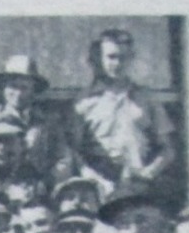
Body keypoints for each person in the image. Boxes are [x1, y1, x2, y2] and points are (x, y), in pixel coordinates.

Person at [70, 28, 177, 196]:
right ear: (99, 58)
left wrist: (148, 173)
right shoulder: (83, 101)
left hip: (139, 184)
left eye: (123, 58)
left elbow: (168, 149)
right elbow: (74, 151)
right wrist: (94, 179)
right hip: (100, 185)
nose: (118, 64)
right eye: (111, 57)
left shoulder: (146, 98)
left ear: (131, 59)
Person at [0, 55, 70, 185]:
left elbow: (64, 157)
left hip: (37, 191)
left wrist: (46, 182)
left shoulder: (47, 123)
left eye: (24, 87)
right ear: (4, 88)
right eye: (12, 86)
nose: (18, 93)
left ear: (33, 91)